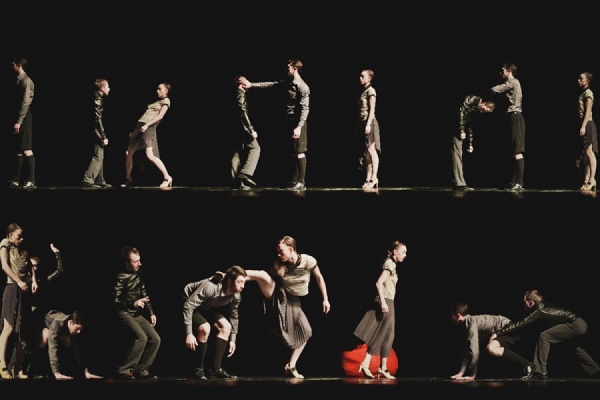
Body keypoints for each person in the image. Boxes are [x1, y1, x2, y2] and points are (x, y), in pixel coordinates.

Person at [245, 235, 330, 378]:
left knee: (307, 331)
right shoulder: (279, 263)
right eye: (278, 252)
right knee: (262, 276)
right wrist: (276, 273)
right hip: (281, 295)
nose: (279, 255)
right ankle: (236, 275)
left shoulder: (308, 261)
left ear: (291, 249)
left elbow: (319, 277)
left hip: (295, 301)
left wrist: (325, 299)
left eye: (281, 251)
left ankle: (291, 365)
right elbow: (270, 275)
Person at [491, 289, 600, 380]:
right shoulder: (544, 306)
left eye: (524, 302)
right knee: (573, 347)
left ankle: (540, 371)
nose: (523, 305)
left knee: (545, 336)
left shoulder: (538, 309)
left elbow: (521, 323)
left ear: (531, 302)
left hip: (575, 325)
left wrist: (498, 333)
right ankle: (595, 370)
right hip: (581, 323)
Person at [239, 59, 310, 191]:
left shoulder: (302, 86)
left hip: (297, 122)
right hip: (289, 120)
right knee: (293, 152)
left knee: (299, 151)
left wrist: (299, 127)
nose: (286, 69)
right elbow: (270, 85)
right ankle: (294, 181)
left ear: (295, 69)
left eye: (288, 67)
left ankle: (301, 182)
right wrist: (251, 85)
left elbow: (305, 108)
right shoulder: (287, 83)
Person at [353, 241, 406, 379]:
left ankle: (383, 368)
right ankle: (366, 363)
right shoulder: (390, 264)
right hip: (386, 300)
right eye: (403, 252)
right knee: (381, 334)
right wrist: (382, 302)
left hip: (389, 301)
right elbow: (378, 282)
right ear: (395, 251)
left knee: (389, 335)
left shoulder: (392, 264)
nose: (405, 255)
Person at [183, 266, 248, 380]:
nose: (243, 286)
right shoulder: (211, 287)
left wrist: (233, 340)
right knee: (205, 328)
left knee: (226, 326)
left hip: (207, 306)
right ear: (229, 281)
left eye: (244, 282)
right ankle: (198, 369)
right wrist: (189, 333)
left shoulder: (236, 296)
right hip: (189, 302)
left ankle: (215, 369)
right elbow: (188, 306)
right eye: (239, 282)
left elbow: (234, 317)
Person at [449, 301, 530, 381]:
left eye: (451, 315)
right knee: (490, 348)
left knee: (491, 348)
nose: (451, 318)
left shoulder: (471, 323)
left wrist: (472, 375)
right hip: (503, 333)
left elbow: (474, 351)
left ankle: (528, 365)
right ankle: (526, 365)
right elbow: (468, 349)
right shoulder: (466, 325)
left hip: (509, 331)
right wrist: (461, 372)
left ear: (458, 315)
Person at [113, 245, 161, 380]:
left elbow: (144, 295)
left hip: (136, 313)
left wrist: (151, 313)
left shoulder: (138, 274)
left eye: (139, 260)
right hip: (124, 312)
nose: (140, 264)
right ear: (126, 263)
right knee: (141, 337)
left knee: (155, 339)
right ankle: (123, 371)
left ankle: (141, 370)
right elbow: (115, 301)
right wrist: (132, 303)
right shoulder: (120, 277)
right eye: (135, 261)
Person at [121, 83, 173, 189]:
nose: (157, 90)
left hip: (149, 126)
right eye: (157, 89)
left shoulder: (166, 101)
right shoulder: (155, 101)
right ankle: (128, 179)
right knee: (128, 153)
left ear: (166, 91)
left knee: (150, 154)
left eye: (160, 89)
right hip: (139, 125)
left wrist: (147, 125)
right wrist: (134, 130)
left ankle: (167, 177)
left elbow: (160, 116)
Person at [0, 223, 33, 379]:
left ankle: (17, 367)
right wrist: (19, 281)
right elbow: (5, 266)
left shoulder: (21, 251)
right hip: (12, 288)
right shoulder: (5, 243)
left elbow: (27, 272)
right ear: (10, 235)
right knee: (8, 328)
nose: (21, 239)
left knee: (22, 331)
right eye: (18, 236)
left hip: (22, 290)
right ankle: (2, 365)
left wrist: (32, 282)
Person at [34, 309, 103, 380]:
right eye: (77, 328)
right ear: (70, 323)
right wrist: (56, 373)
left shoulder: (73, 328)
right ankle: (35, 369)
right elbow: (53, 347)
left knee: (69, 341)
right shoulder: (57, 323)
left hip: (57, 330)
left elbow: (78, 349)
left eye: (80, 329)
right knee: (45, 338)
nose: (79, 332)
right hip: (39, 322)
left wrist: (86, 372)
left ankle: (66, 369)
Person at [490, 63, 526, 192]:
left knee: (517, 150)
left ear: (509, 71)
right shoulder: (512, 83)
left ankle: (519, 183)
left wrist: (491, 91)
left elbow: (495, 89)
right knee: (513, 151)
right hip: (512, 116)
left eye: (503, 70)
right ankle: (513, 181)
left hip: (515, 116)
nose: (501, 73)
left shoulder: (513, 82)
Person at [451, 95, 496, 191]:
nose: (482, 112)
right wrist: (461, 130)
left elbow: (469, 125)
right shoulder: (472, 99)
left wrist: (470, 144)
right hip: (454, 126)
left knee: (459, 154)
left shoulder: (476, 110)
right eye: (483, 110)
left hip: (460, 128)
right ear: (484, 103)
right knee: (457, 154)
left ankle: (459, 182)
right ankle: (459, 183)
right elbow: (461, 111)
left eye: (484, 112)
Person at [9, 57, 36, 190]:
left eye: (13, 64)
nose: (12, 66)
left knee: (26, 148)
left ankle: (31, 180)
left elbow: (25, 103)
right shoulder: (18, 80)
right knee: (18, 149)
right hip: (18, 116)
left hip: (24, 117)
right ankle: (15, 179)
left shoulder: (26, 81)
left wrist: (19, 121)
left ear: (19, 65)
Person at [231, 76, 261, 190]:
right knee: (255, 148)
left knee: (237, 153)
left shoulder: (234, 93)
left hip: (234, 128)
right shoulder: (240, 94)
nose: (249, 84)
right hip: (242, 128)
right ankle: (245, 173)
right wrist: (251, 129)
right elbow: (242, 112)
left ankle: (236, 182)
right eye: (246, 81)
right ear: (242, 83)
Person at [82, 78, 112, 189]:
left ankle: (100, 180)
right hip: (95, 130)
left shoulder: (97, 98)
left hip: (93, 129)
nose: (109, 89)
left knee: (100, 154)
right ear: (102, 88)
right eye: (107, 86)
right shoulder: (97, 99)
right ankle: (88, 180)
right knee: (98, 155)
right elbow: (97, 119)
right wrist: (103, 136)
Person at [356, 69, 381, 189]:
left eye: (363, 76)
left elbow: (372, 109)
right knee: (366, 152)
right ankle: (368, 178)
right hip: (362, 122)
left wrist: (368, 124)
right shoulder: (363, 91)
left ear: (369, 78)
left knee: (372, 150)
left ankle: (374, 178)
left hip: (369, 121)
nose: (360, 78)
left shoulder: (371, 91)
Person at [576, 72, 597, 191]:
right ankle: (586, 179)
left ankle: (592, 180)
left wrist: (583, 126)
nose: (578, 80)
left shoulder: (588, 93)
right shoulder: (583, 93)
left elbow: (588, 111)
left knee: (589, 152)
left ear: (587, 81)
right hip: (583, 123)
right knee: (584, 154)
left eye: (581, 79)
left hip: (587, 123)